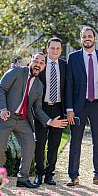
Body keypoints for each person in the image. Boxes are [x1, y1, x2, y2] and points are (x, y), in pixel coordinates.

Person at [0, 53, 68, 189]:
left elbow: (37, 110)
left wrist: (50, 121)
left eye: (42, 62)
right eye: (36, 60)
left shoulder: (39, 86)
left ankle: (23, 178)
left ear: (44, 66)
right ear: (31, 61)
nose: (38, 64)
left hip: (22, 120)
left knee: (30, 145)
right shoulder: (17, 72)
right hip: (5, 117)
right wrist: (2, 109)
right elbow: (1, 89)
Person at [65, 26, 98, 187]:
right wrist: (69, 109)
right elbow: (69, 84)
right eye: (84, 36)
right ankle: (73, 176)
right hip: (79, 105)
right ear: (81, 39)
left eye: (90, 36)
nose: (87, 38)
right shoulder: (73, 57)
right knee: (75, 141)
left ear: (94, 39)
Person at [33, 38, 67, 186]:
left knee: (55, 143)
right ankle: (38, 173)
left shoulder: (65, 65)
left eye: (58, 48)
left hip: (58, 108)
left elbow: (68, 88)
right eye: (52, 48)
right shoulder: (41, 64)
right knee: (40, 142)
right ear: (47, 48)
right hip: (42, 108)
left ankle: (49, 174)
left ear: (61, 50)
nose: (55, 51)